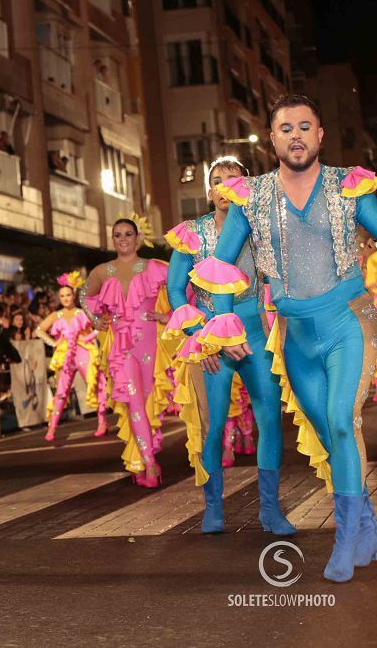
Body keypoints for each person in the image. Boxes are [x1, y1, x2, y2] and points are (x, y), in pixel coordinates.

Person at [190, 94, 377, 582]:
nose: (296, 135)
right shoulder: (251, 196)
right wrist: (223, 325)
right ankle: (367, 523)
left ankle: (345, 539)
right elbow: (222, 266)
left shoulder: (349, 186)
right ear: (271, 138)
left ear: (320, 135)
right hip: (294, 334)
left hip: (348, 321)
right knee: (330, 435)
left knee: (341, 420)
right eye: (285, 128)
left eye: (305, 126)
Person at [164, 155, 293, 536]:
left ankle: (270, 510)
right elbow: (175, 290)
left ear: (246, 186)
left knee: (270, 421)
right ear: (208, 191)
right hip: (210, 343)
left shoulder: (262, 229)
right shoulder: (192, 232)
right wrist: (197, 338)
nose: (224, 186)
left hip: (255, 337)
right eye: (216, 180)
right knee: (214, 425)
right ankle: (213, 507)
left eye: (232, 179)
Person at [82, 214, 169, 487]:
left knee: (147, 402)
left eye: (128, 234)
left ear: (138, 238)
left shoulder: (155, 267)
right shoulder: (102, 271)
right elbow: (85, 295)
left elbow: (186, 288)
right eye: (117, 235)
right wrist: (96, 320)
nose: (123, 239)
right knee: (133, 402)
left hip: (150, 344)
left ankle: (145, 458)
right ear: (113, 240)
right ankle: (149, 463)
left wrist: (170, 315)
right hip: (121, 348)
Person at [35, 272, 109, 441]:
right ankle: (52, 427)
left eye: (68, 295)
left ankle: (102, 422)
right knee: (61, 391)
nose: (65, 298)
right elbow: (39, 330)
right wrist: (53, 343)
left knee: (94, 385)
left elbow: (101, 324)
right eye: (62, 296)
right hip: (65, 356)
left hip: (83, 352)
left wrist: (88, 337)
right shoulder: (57, 315)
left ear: (73, 295)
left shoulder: (83, 312)